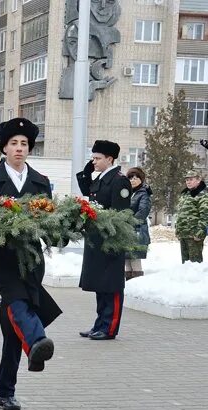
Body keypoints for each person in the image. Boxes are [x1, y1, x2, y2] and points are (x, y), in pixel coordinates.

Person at [0, 118, 61, 410]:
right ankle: (37, 340)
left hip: (31, 259)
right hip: (1, 258)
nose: (19, 149)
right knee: (18, 301)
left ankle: (5, 391)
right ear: (4, 147)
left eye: (24, 144)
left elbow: (48, 220)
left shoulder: (40, 182)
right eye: (13, 143)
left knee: (11, 328)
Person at [76, 140, 131, 340]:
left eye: (98, 158)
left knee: (112, 286)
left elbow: (120, 214)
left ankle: (109, 328)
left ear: (110, 159)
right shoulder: (102, 178)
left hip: (111, 240)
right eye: (93, 158)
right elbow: (87, 192)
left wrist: (111, 237)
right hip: (98, 239)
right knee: (101, 285)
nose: (94, 161)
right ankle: (100, 324)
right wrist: (86, 170)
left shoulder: (119, 181)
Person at [175, 174, 208, 263]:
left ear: (198, 180)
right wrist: (178, 230)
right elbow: (180, 213)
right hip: (184, 233)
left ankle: (195, 277)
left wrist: (199, 232)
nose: (188, 182)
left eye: (191, 179)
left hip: (194, 234)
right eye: (186, 180)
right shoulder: (185, 194)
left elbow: (206, 215)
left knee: (195, 264)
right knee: (185, 263)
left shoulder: (203, 194)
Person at [124, 167, 152, 279]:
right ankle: (128, 283)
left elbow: (143, 211)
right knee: (126, 258)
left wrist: (129, 222)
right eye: (130, 178)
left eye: (136, 178)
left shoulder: (144, 193)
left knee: (134, 258)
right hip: (126, 229)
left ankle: (136, 281)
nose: (133, 180)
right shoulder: (128, 193)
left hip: (137, 229)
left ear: (141, 179)